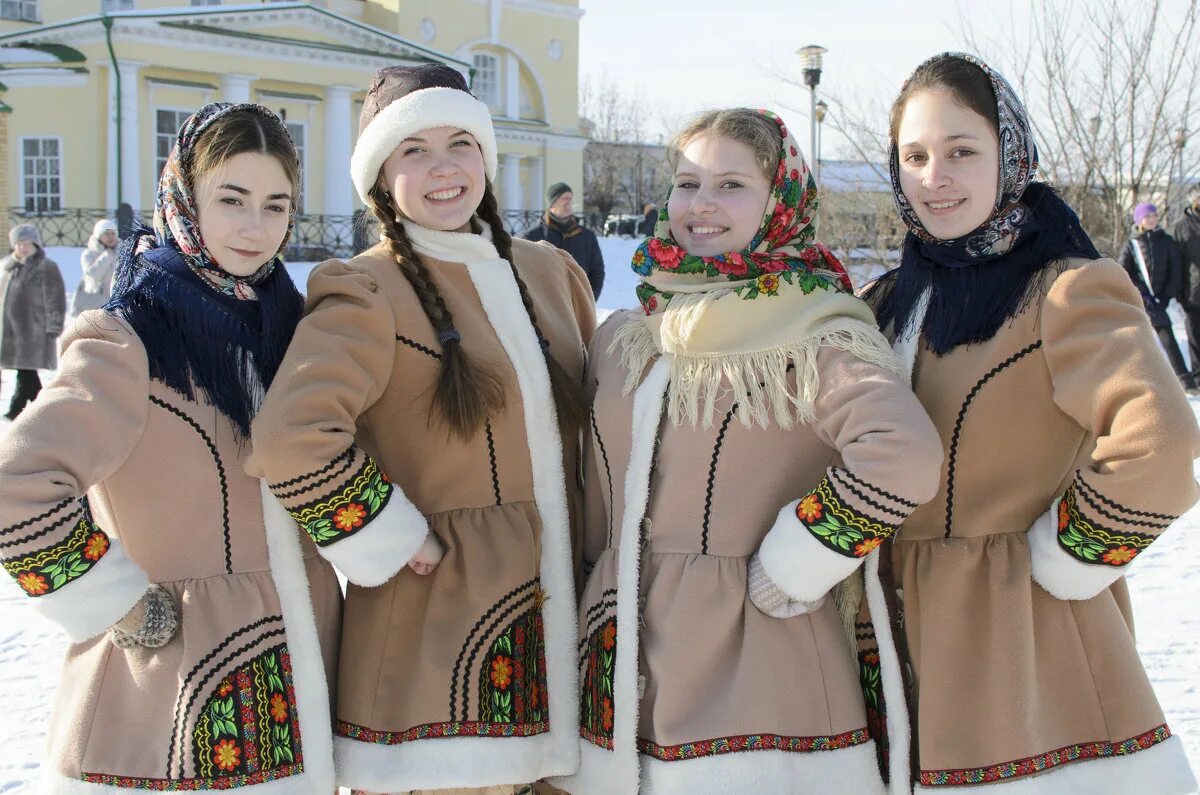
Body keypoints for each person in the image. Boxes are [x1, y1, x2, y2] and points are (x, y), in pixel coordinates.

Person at [553, 108, 942, 795]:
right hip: (618, 676)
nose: (700, 204)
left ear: (781, 203)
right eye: (686, 182)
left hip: (760, 672)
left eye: (731, 184)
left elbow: (902, 453)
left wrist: (795, 562)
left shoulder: (813, 330)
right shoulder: (625, 334)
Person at [248, 64, 595, 794]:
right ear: (379, 175)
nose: (443, 167)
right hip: (438, 654)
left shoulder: (553, 273)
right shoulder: (365, 288)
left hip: (567, 643)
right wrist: (392, 535)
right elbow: (290, 440)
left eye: (461, 143)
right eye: (414, 149)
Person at [866, 52, 1199, 792]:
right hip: (890, 646)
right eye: (915, 156)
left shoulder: (1068, 289)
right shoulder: (888, 300)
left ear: (1010, 156)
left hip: (1022, 646)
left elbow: (1162, 444)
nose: (935, 177)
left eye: (961, 151)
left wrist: (1064, 558)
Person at [0, 103, 341, 792]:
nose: (256, 226)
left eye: (277, 205)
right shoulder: (130, 337)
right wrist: (111, 599)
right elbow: (16, 485)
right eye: (232, 199)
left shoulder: (296, 327)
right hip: (176, 691)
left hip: (305, 671)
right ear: (185, 196)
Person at [1120, 202, 1193, 387]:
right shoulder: (1132, 244)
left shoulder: (1166, 241)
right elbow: (1123, 272)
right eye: (1147, 216)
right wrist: (1141, 294)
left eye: (1154, 216)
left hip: (1160, 300)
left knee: (1167, 337)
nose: (1151, 219)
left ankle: (1185, 381)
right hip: (1140, 300)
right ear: (1139, 220)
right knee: (1134, 340)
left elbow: (1175, 271)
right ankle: (1132, 381)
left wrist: (1166, 296)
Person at [0, 222, 64, 419]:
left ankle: (20, 410)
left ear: (35, 244)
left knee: (26, 371)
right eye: (19, 243)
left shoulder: (46, 267)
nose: (23, 247)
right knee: (25, 372)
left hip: (34, 330)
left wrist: (54, 324)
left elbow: (56, 298)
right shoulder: (10, 267)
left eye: (27, 243)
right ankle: (37, 409)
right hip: (12, 331)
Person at [524, 181, 605, 300]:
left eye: (570, 198)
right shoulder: (532, 237)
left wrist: (589, 300)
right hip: (544, 306)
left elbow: (597, 271)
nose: (569, 202)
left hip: (577, 304)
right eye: (564, 198)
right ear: (552, 202)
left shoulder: (587, 237)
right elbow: (523, 272)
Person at [69, 218, 119, 323]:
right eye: (107, 234)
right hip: (94, 305)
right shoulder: (89, 254)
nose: (111, 237)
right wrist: (107, 255)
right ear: (98, 236)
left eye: (113, 233)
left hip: (116, 305)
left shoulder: (121, 253)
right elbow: (92, 276)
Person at [1173, 186, 1200, 381]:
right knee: (1195, 335)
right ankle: (1198, 376)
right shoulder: (1182, 226)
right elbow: (1177, 260)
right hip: (1193, 289)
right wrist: (1179, 290)